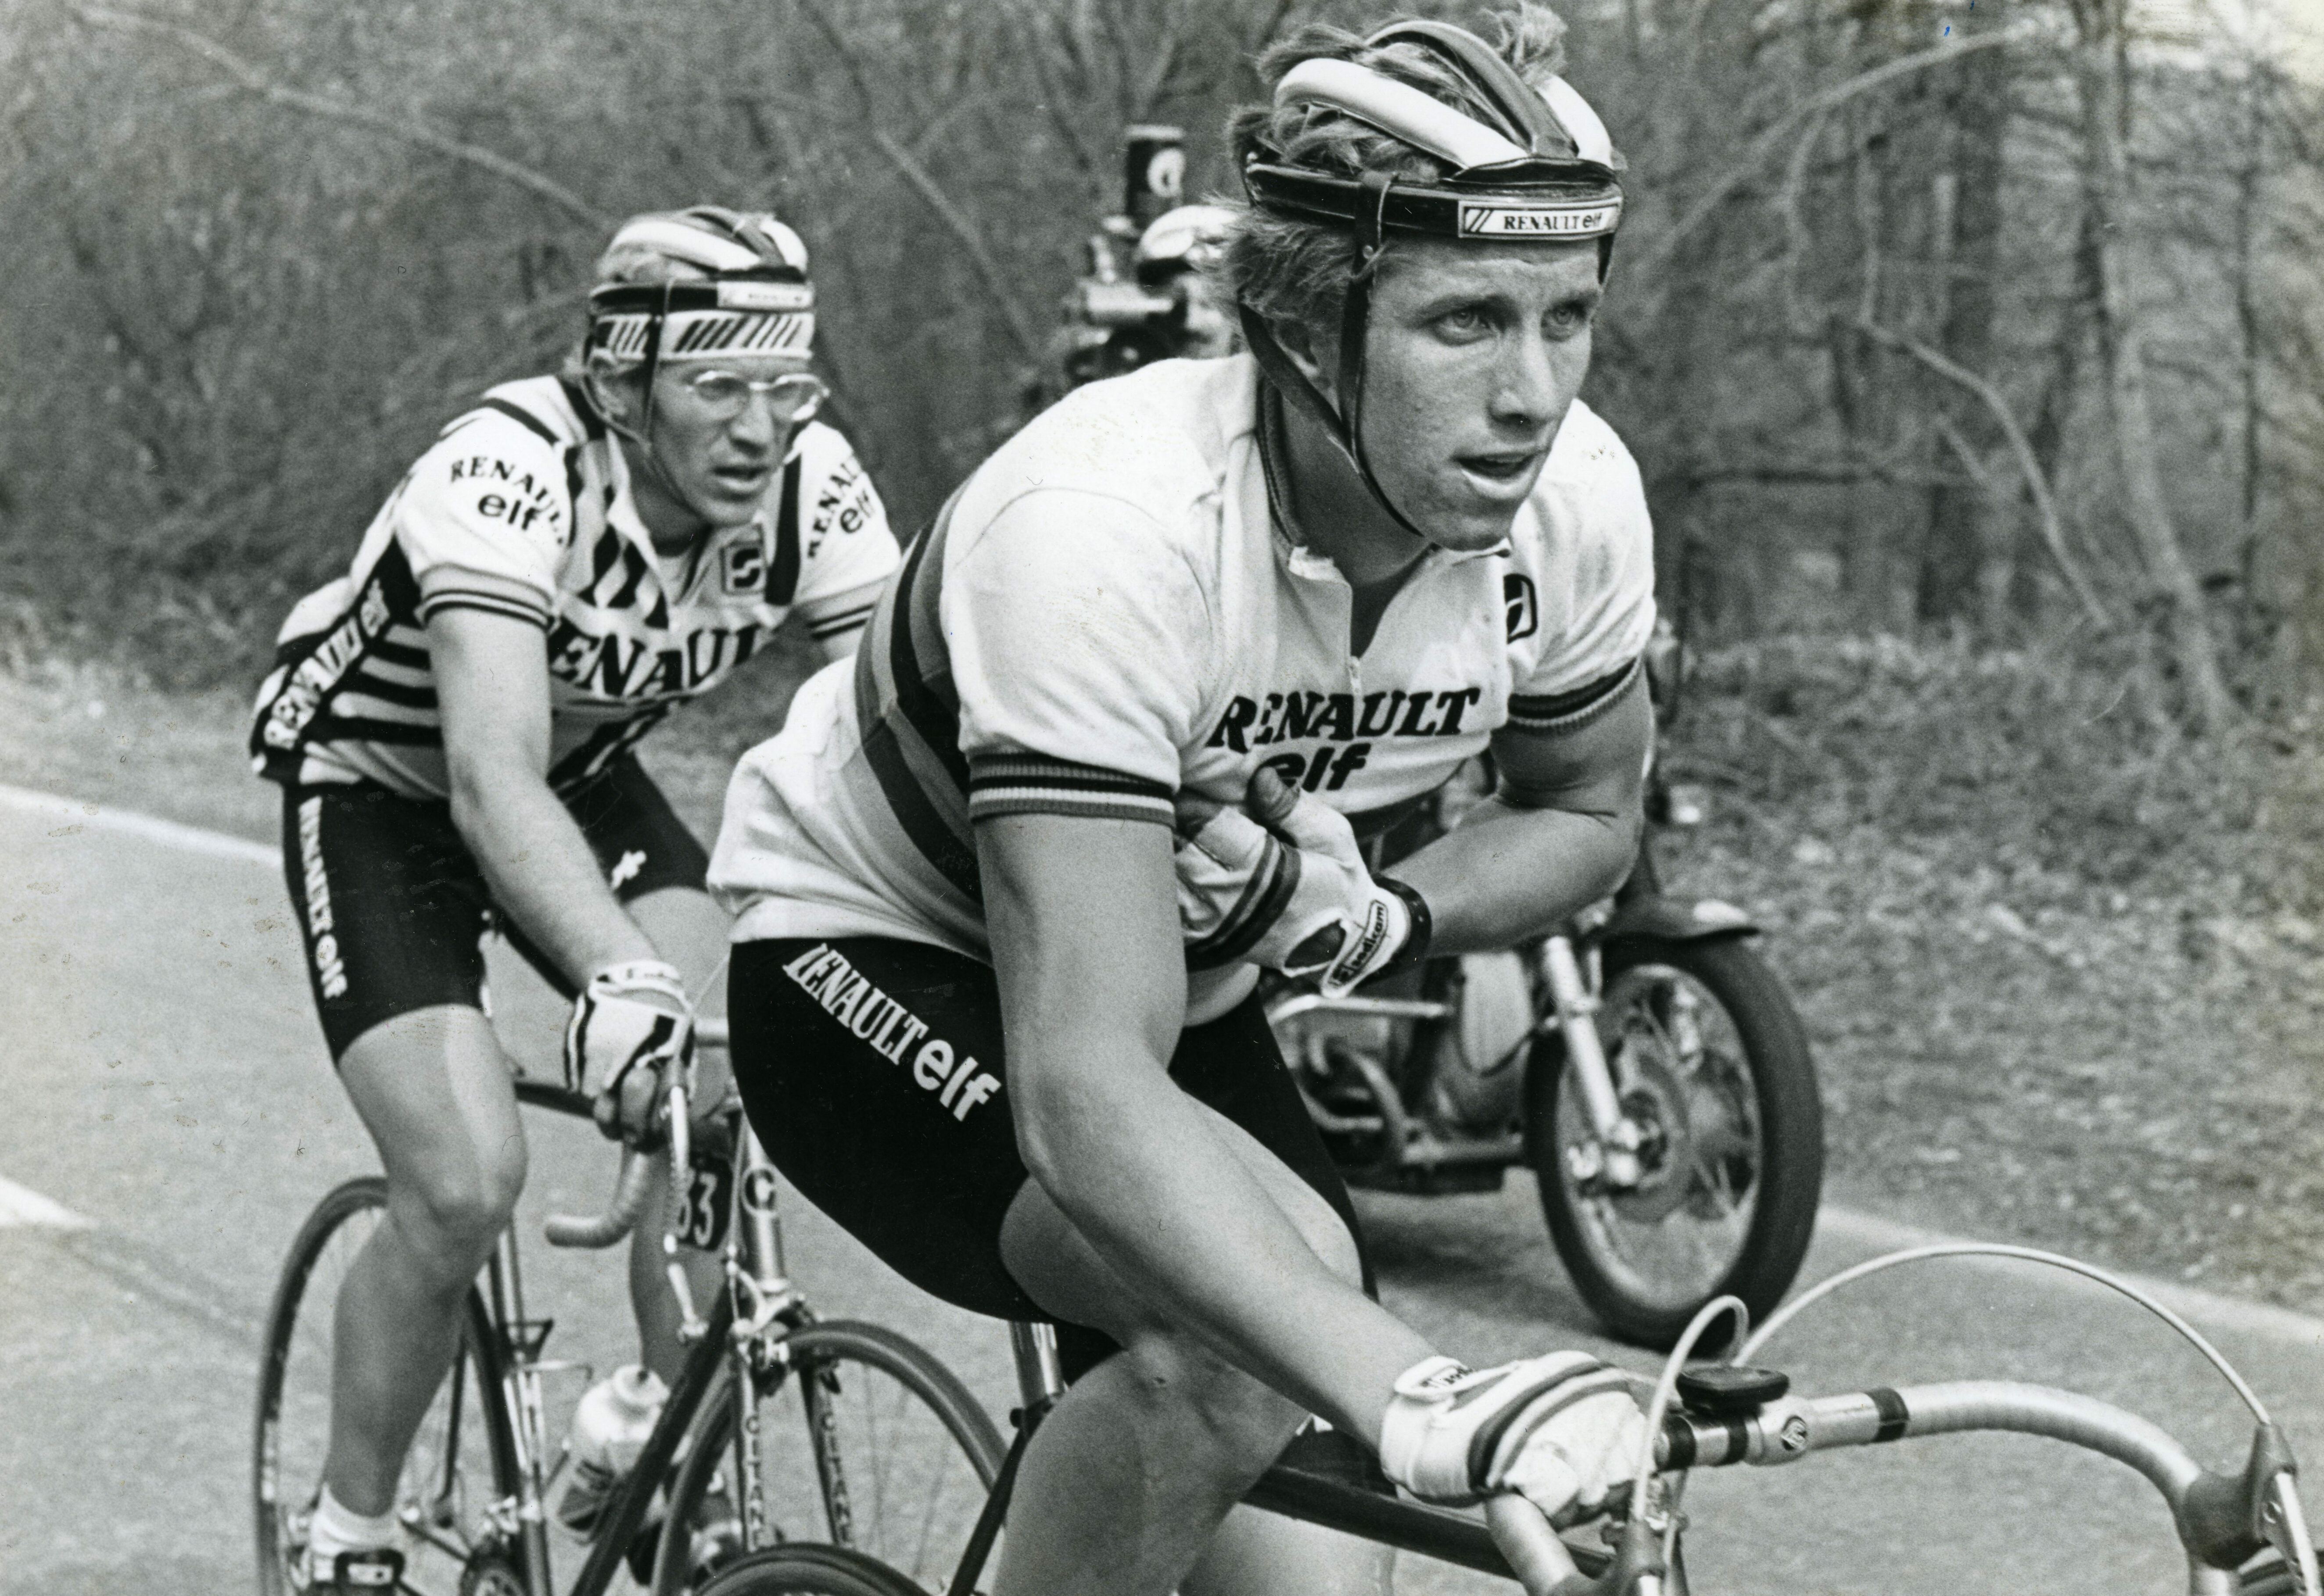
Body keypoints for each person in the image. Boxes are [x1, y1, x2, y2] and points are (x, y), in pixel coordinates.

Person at [709, 6, 1653, 1591]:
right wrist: (1417, 1388)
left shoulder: (1575, 506)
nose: (1532, 393)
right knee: (1248, 1343)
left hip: (1175, 978)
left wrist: (1381, 920)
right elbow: (1083, 1081)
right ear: (1299, 325)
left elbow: (1588, 811)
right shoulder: (1105, 524)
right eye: (1467, 321)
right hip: (878, 955)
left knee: (1315, 1510)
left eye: (1568, 317)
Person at [250, 206, 901, 1591]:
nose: (760, 427)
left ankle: (635, 1440)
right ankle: (349, 1532)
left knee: (730, 1090)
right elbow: (488, 776)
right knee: (463, 1179)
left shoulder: (815, 487)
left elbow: (901, 736)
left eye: (789, 386)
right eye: (717, 385)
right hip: (391, 791)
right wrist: (621, 974)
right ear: (621, 384)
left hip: (582, 778)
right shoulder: (507, 468)